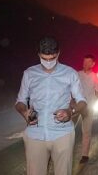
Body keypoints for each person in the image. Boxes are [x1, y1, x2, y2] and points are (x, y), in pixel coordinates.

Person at [15, 36, 87, 175]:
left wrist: (70, 111)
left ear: (58, 53)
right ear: (38, 55)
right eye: (44, 58)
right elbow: (20, 101)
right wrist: (24, 112)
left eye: (52, 58)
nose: (48, 62)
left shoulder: (69, 73)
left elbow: (82, 102)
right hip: (35, 133)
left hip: (62, 134)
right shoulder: (29, 73)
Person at [76, 54, 98, 164]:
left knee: (86, 131)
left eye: (88, 62)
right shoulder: (77, 74)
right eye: (84, 62)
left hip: (88, 107)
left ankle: (84, 155)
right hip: (76, 106)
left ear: (93, 64)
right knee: (67, 130)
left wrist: (92, 103)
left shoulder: (95, 77)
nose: (85, 64)